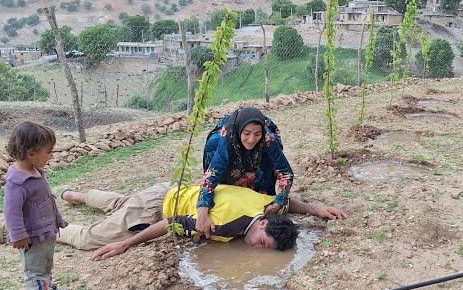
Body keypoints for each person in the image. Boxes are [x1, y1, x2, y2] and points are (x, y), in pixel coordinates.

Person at [56, 182, 346, 259]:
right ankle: (51, 230)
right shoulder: (222, 224)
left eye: (264, 249)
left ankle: (75, 195)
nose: (257, 247)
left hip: (168, 189)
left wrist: (317, 210)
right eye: (262, 242)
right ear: (261, 226)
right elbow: (170, 224)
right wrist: (125, 244)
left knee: (122, 204)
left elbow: (288, 204)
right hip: (156, 208)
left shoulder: (267, 209)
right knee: (93, 238)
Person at [2, 121, 71, 290]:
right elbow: (11, 212)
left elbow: (47, 200)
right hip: (31, 237)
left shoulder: (36, 172)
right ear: (32, 153)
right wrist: (18, 235)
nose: (51, 156)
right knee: (35, 270)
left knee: (45, 263)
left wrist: (57, 220)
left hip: (45, 232)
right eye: (48, 151)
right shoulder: (16, 182)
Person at [196, 107, 294, 237]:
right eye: (247, 134)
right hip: (229, 151)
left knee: (268, 166)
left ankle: (260, 193)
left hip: (259, 154)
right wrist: (202, 211)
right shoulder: (227, 138)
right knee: (215, 150)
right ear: (239, 130)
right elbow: (212, 175)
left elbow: (285, 172)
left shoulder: (268, 139)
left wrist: (279, 201)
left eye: (257, 134)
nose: (252, 139)